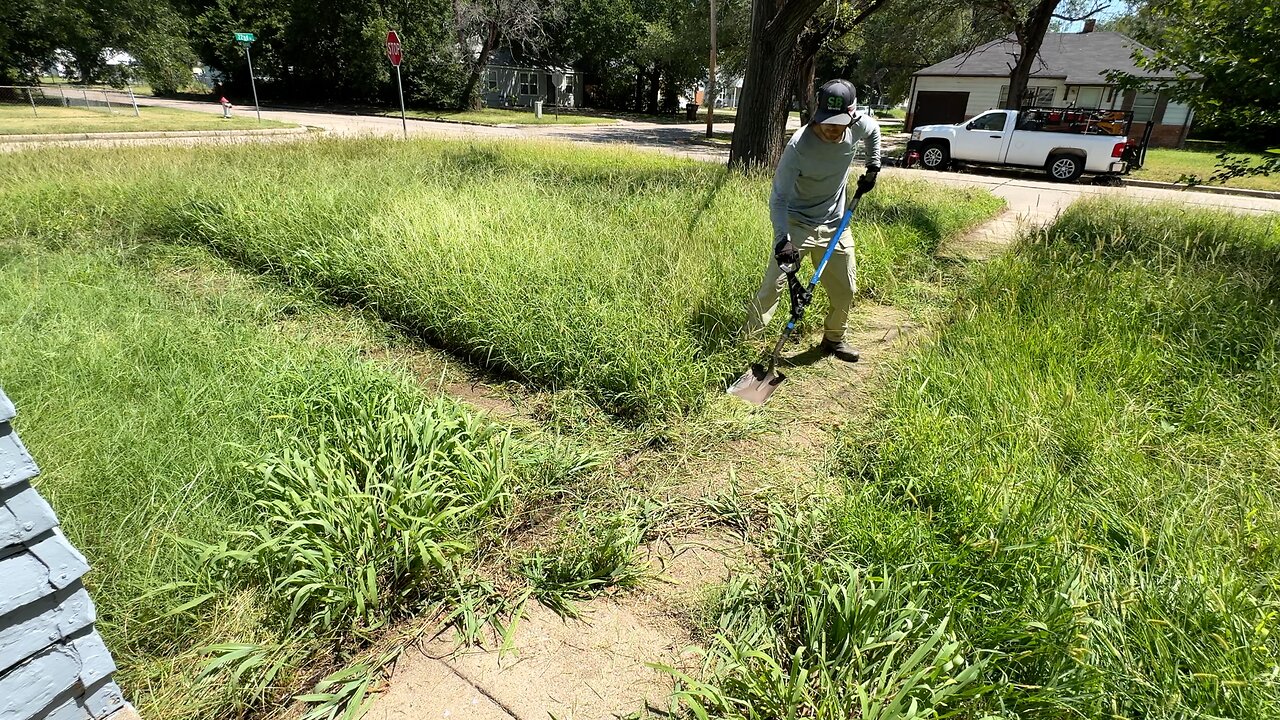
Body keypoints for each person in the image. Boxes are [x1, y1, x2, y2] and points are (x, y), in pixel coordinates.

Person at [744, 79, 881, 363]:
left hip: (835, 224)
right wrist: (783, 239)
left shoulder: (859, 126)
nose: (831, 127)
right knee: (773, 287)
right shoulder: (798, 147)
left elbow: (874, 130)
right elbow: (779, 197)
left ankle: (834, 338)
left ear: (852, 115)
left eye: (839, 121)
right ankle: (745, 345)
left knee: (846, 289)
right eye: (826, 121)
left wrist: (874, 164)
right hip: (797, 223)